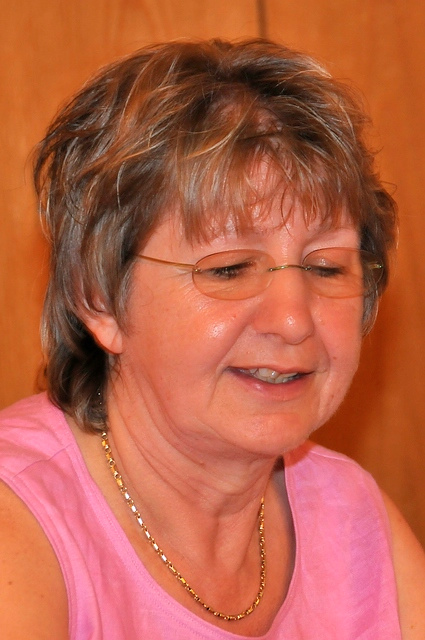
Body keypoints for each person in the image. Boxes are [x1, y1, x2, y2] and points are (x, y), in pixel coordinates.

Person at [1, 38, 424, 639]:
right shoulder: (16, 529)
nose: (294, 320)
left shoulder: (353, 513)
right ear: (100, 298)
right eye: (229, 269)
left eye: (326, 267)